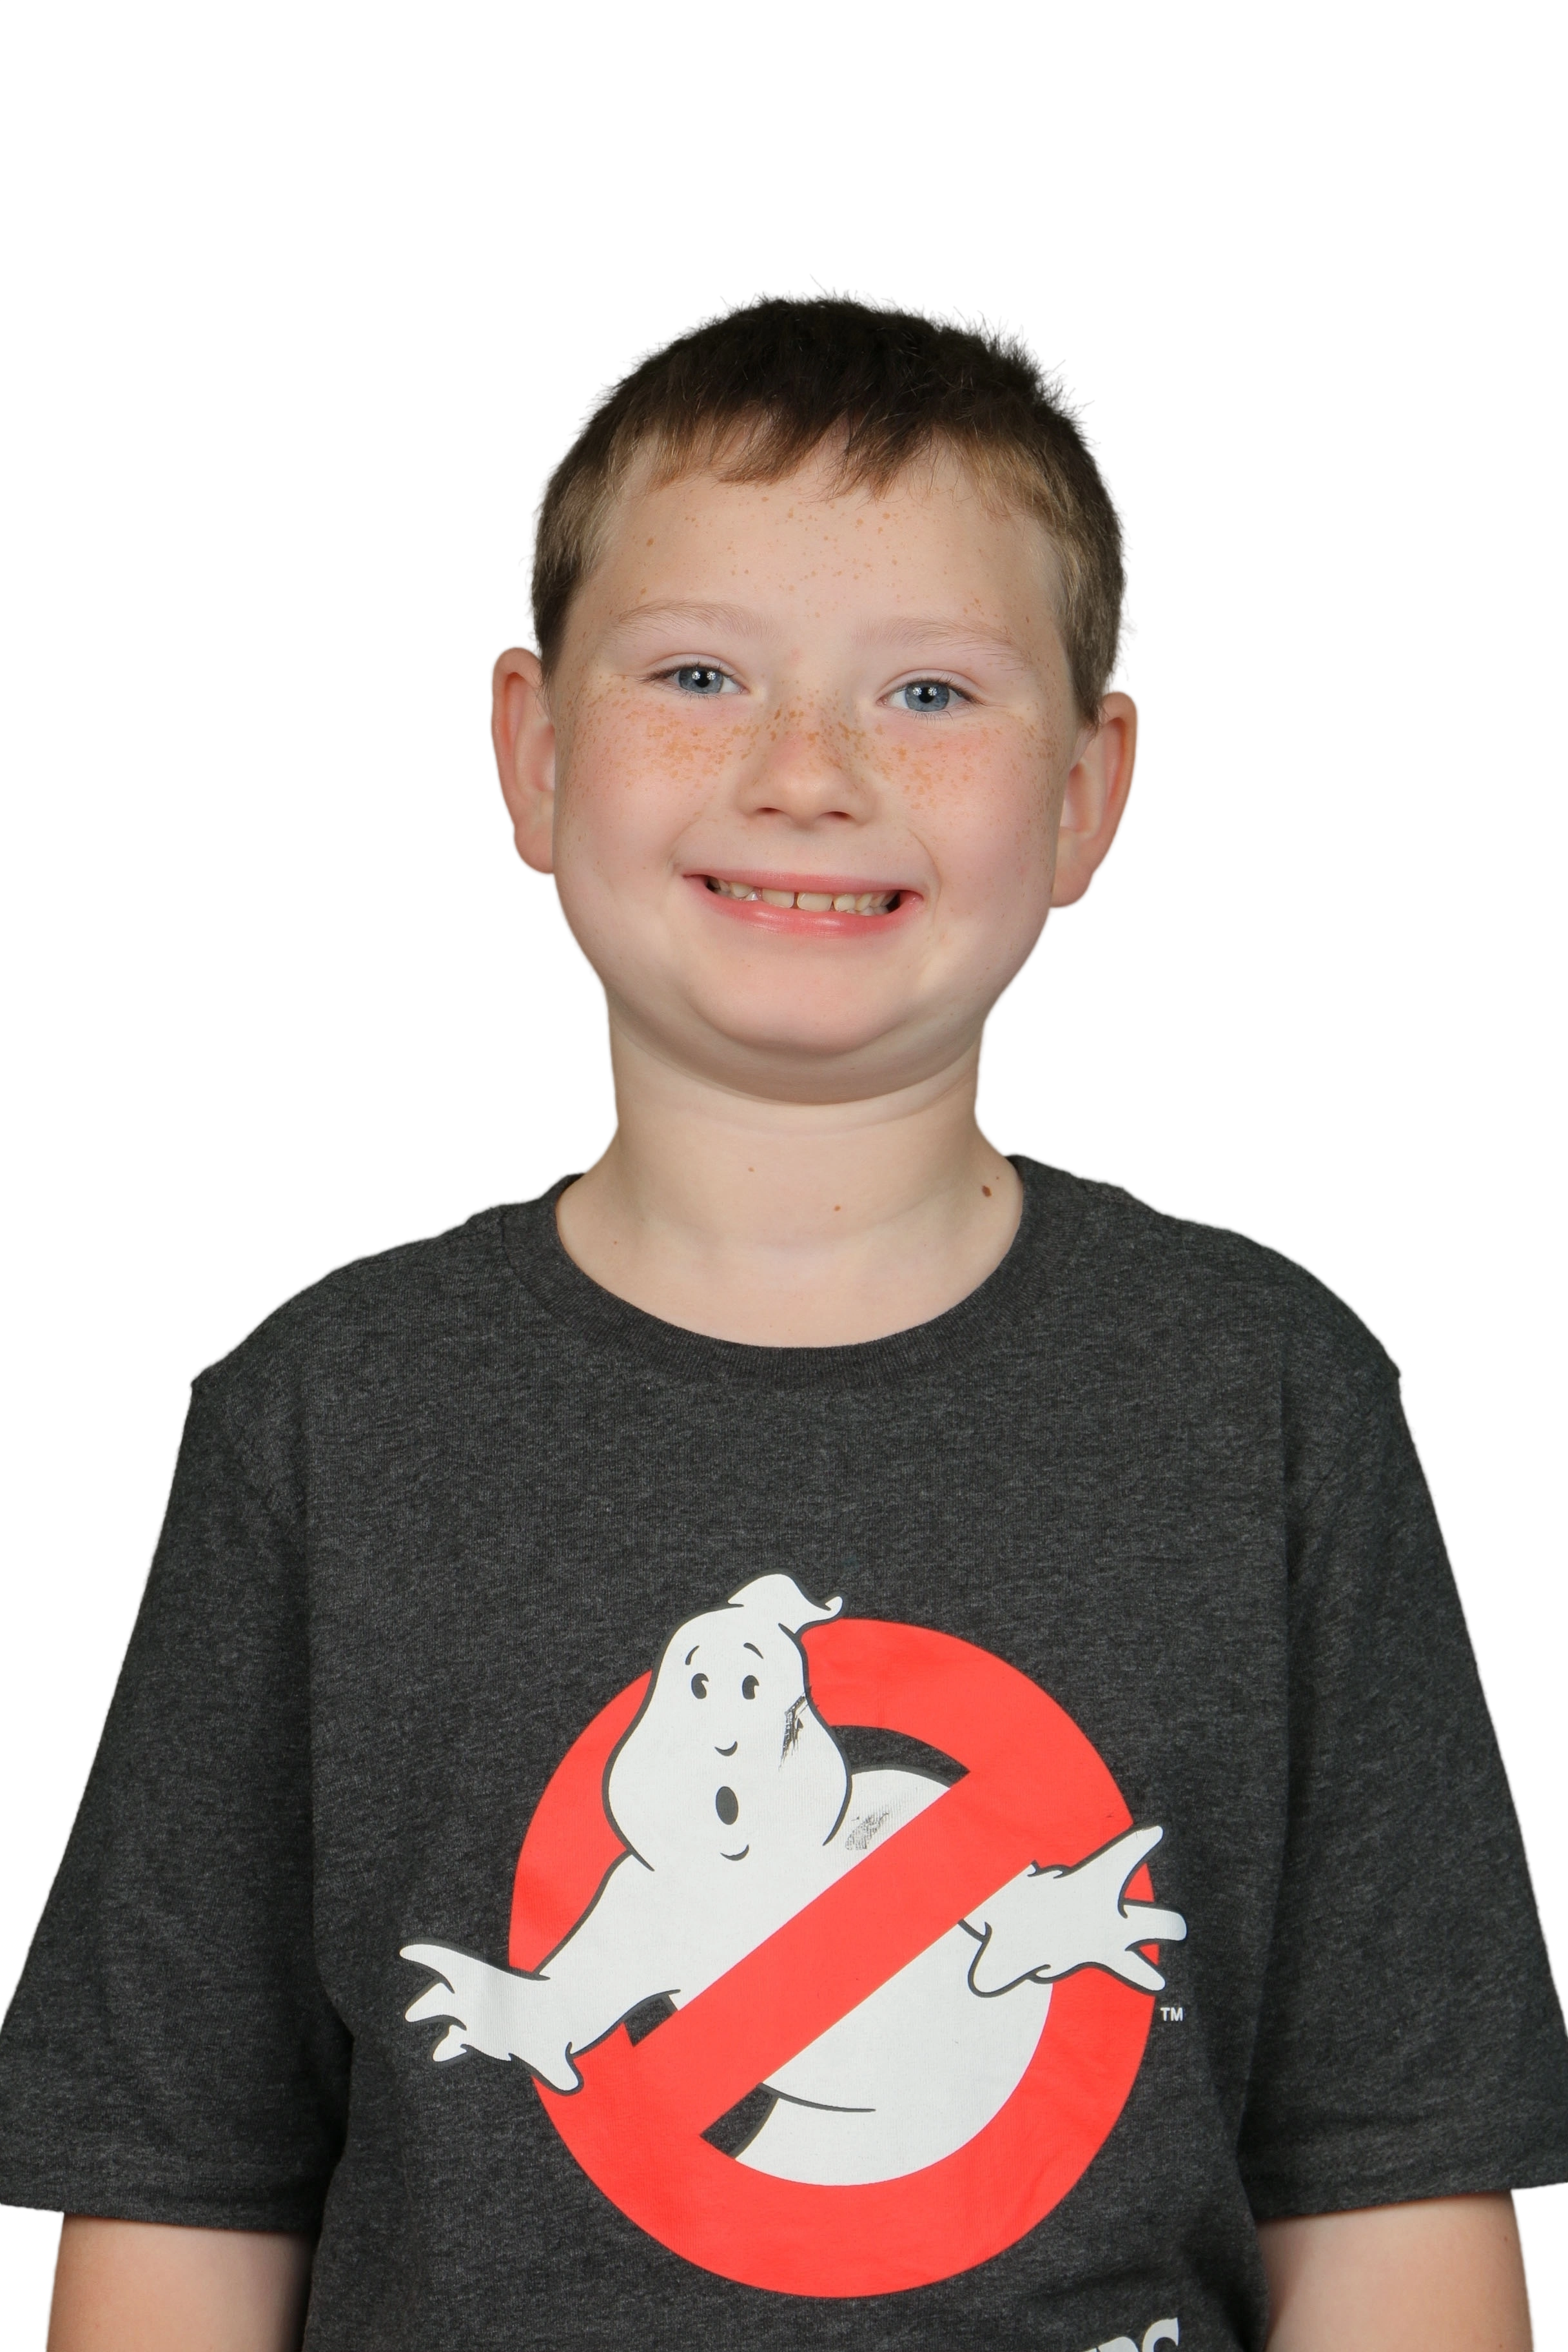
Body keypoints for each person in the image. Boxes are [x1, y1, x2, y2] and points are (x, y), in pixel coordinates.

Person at [1, 279, 1562, 2352]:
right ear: (533, 752)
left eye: (927, 690)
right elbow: (178, 2195)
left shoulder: (1274, 1401)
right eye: (701, 673)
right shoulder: (320, 1418)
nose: (806, 771)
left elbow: (1392, 2193)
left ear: (1088, 790)